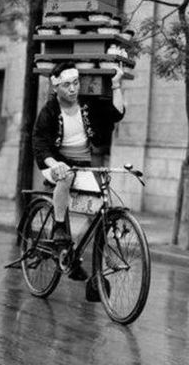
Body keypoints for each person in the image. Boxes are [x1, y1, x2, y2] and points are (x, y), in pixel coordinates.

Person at [32, 60, 125, 280]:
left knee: (101, 205)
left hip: (82, 164)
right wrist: (54, 164)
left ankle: (72, 254)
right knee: (66, 176)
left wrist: (116, 85)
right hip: (55, 162)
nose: (73, 89)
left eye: (75, 83)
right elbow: (39, 142)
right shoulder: (49, 111)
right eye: (67, 85)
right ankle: (61, 231)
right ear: (56, 87)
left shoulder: (87, 106)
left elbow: (116, 114)